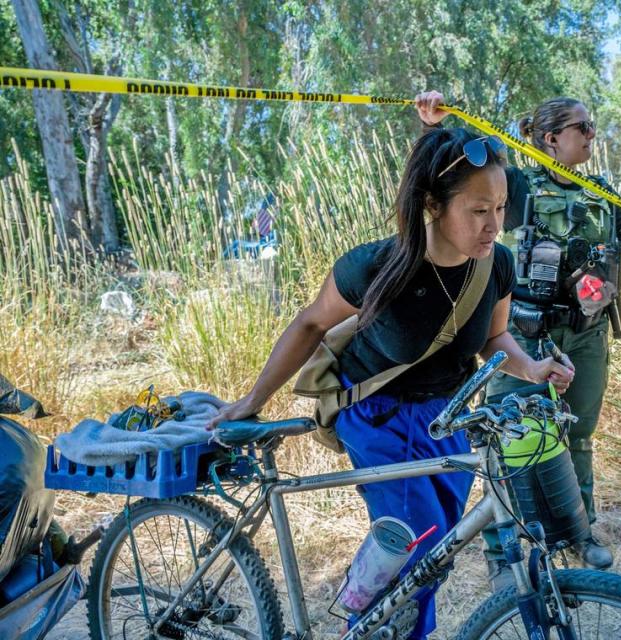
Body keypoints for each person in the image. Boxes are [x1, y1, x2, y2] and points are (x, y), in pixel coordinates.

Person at [208, 127, 574, 639]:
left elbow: (494, 337)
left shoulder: (496, 266)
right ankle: (372, 629)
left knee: (436, 554)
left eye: (500, 207)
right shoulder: (379, 266)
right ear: (434, 205)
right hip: (376, 416)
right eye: (477, 210)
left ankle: (379, 626)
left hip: (448, 419)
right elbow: (311, 322)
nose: (494, 224)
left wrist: (532, 369)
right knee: (416, 543)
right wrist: (254, 399)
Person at [416, 91, 621, 577]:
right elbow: (455, 170)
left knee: (578, 435)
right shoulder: (520, 187)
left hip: (586, 334)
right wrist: (432, 125)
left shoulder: (603, 193)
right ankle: (502, 550)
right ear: (551, 139)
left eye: (592, 126)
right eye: (582, 128)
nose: (592, 135)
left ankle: (579, 534)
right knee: (506, 437)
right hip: (523, 335)